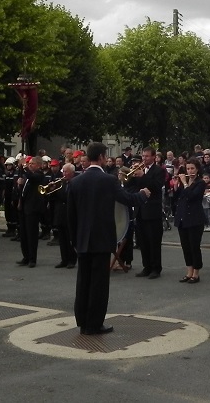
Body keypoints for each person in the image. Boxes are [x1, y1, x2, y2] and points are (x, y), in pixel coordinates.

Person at [67, 142, 149, 335]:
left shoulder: (76, 182)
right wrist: (143, 195)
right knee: (99, 284)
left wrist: (75, 240)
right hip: (102, 239)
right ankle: (95, 324)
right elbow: (127, 199)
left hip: (82, 240)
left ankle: (83, 322)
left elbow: (71, 215)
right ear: (102, 157)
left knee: (83, 282)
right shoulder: (108, 180)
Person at [130, 147, 166, 279]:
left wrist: (143, 176)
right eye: (143, 156)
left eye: (147, 156)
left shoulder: (159, 170)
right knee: (143, 241)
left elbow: (156, 186)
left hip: (152, 210)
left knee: (153, 241)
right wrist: (131, 176)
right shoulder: (139, 169)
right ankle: (147, 267)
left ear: (153, 157)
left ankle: (156, 268)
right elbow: (134, 187)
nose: (144, 158)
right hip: (140, 210)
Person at [171, 158, 206, 283]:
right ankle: (189, 271)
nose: (190, 171)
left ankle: (196, 273)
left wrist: (185, 183)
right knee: (185, 246)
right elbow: (177, 198)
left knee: (194, 246)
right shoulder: (183, 182)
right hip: (183, 217)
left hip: (195, 219)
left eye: (192, 168)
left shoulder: (200, 183)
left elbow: (192, 196)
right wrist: (176, 185)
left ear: (197, 169)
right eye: (188, 169)